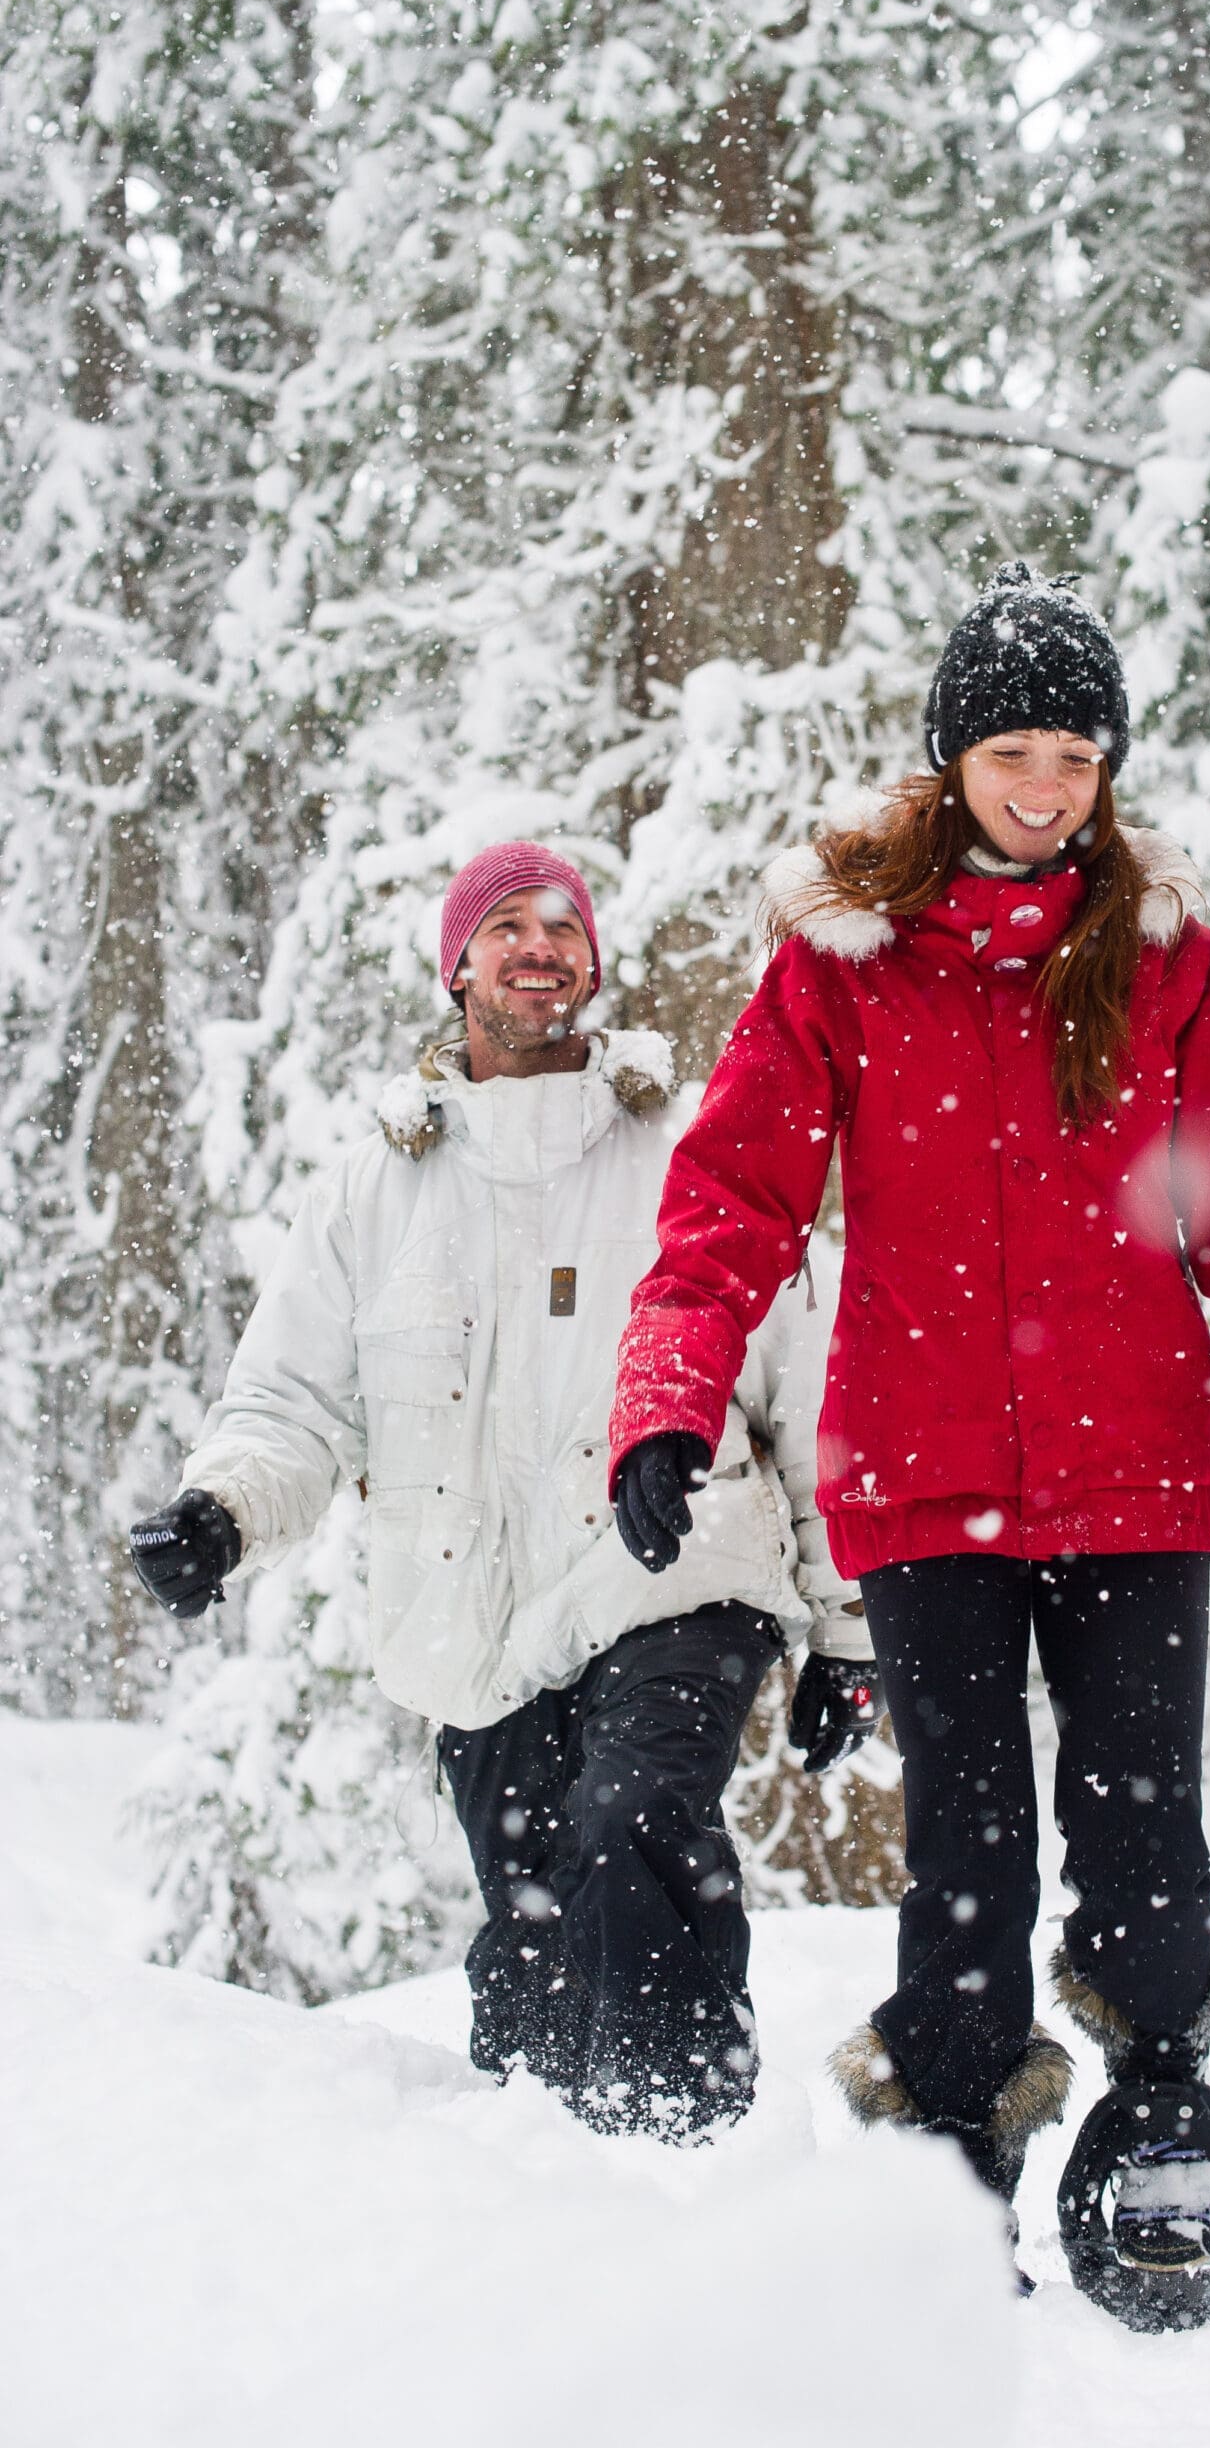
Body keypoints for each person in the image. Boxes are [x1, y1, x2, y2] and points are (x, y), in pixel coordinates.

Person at [608, 563, 1210, 2246]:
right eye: (1017, 753)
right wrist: (669, 1404)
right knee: (961, 1859)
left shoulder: (1167, 964)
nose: (1048, 792)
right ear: (953, 756)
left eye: (1079, 758)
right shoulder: (846, 970)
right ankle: (953, 2171)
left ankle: (1163, 2129)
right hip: (923, 1480)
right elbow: (729, 1205)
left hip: (1139, 1477)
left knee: (1144, 1841)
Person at [128, 841, 878, 2143]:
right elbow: (293, 1402)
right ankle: (541, 2199)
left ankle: (683, 2153)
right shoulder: (376, 1192)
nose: (539, 946)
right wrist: (223, 1511)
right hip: (473, 1621)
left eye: (563, 927)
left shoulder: (690, 1151)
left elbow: (814, 1400)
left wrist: (848, 1636)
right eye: (507, 926)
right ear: (457, 966)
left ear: (593, 962)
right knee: (533, 1921)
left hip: (674, 1570)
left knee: (636, 1821)